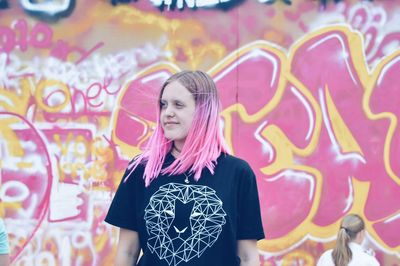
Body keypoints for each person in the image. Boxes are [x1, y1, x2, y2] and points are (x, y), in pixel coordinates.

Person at [105, 70, 264, 266]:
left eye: (178, 105)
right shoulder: (142, 170)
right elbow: (127, 252)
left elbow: (248, 256)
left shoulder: (237, 173)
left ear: (203, 111)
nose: (167, 112)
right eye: (164, 105)